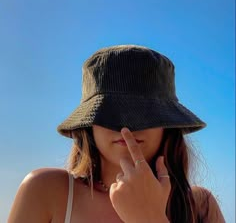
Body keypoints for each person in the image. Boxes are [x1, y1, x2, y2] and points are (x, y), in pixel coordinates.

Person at [8, 45, 226, 223]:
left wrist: (149, 218)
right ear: (89, 125)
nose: (126, 127)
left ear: (167, 126)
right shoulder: (46, 191)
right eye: (110, 112)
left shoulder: (199, 206)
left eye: (145, 113)